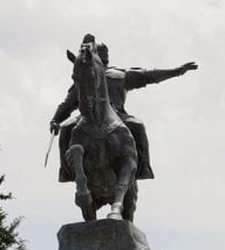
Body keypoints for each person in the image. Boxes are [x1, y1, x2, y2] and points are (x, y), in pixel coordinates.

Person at [50, 40, 197, 181]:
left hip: (118, 117)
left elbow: (149, 76)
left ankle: (144, 166)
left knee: (138, 126)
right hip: (86, 118)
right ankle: (66, 170)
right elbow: (68, 103)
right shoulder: (84, 77)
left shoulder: (120, 75)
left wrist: (177, 71)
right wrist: (56, 120)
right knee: (65, 129)